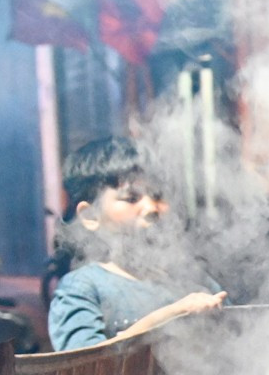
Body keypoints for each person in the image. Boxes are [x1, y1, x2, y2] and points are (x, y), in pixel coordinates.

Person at [47, 137, 226, 351]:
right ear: (90, 216)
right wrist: (175, 314)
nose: (151, 208)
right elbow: (81, 367)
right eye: (132, 198)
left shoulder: (191, 277)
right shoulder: (83, 287)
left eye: (158, 196)